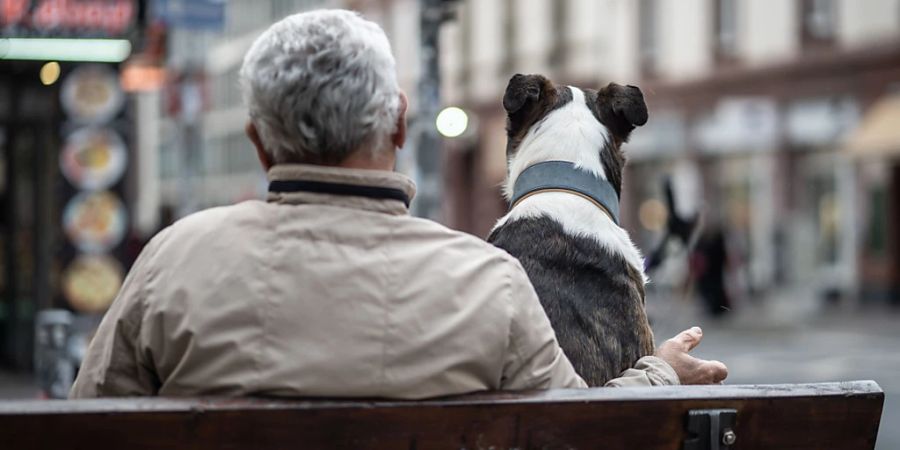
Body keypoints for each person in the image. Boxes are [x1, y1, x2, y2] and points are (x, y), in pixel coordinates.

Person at [70, 10, 726, 399]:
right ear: (399, 126)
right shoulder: (490, 284)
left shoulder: (171, 265)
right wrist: (658, 373)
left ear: (258, 144)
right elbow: (581, 427)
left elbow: (87, 424)